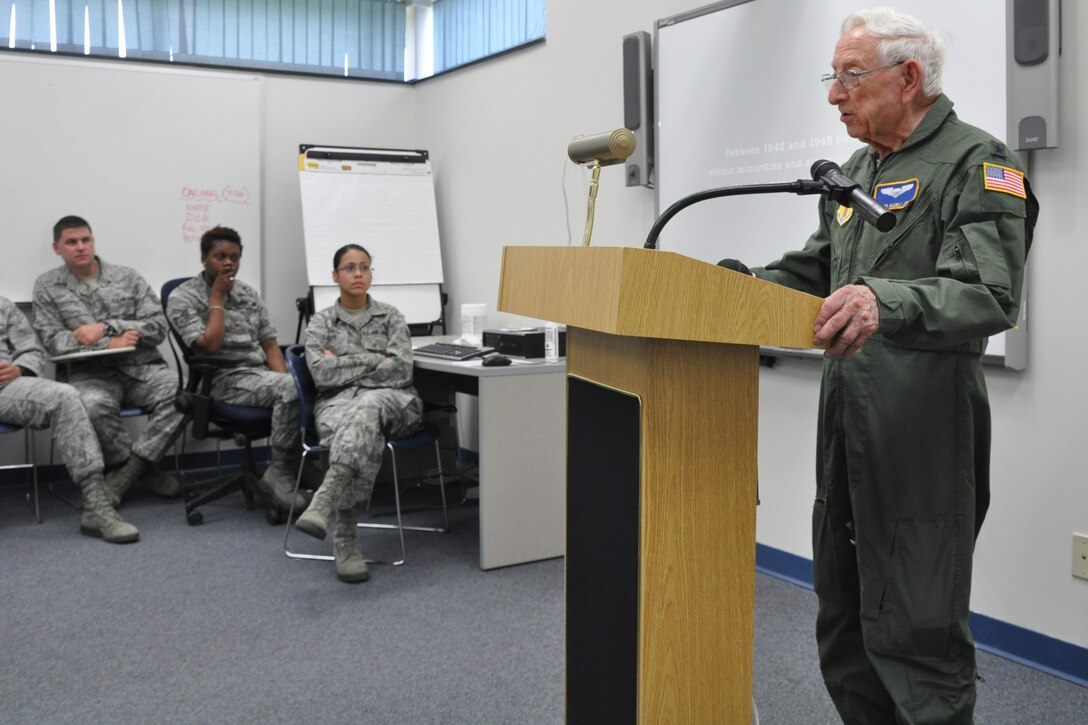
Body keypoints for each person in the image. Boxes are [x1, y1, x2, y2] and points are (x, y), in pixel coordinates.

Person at [748, 9, 1038, 723]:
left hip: (923, 437)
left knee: (917, 634)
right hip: (847, 434)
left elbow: (988, 293)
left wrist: (886, 300)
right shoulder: (856, 172)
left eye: (850, 76)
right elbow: (816, 270)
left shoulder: (980, 162)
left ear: (908, 79)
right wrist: (731, 288)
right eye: (833, 76)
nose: (833, 94)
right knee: (845, 625)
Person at [33, 216, 186, 507]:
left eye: (85, 240)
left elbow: (157, 327)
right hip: (90, 374)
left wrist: (106, 326)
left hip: (141, 368)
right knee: (89, 406)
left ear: (92, 240)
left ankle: (127, 473)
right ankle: (144, 471)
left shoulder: (127, 278)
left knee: (183, 395)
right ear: (57, 248)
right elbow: (53, 341)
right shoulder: (47, 286)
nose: (80, 247)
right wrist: (110, 342)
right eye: (71, 242)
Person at [294, 244, 423, 584]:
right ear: (335, 275)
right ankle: (346, 539)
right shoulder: (321, 322)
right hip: (336, 404)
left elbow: (401, 372)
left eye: (365, 267)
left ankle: (327, 503)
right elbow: (321, 375)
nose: (358, 274)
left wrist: (343, 360)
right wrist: (373, 358)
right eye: (349, 268)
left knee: (368, 406)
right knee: (357, 427)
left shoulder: (391, 316)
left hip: (395, 401)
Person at [165, 225, 304, 511]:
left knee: (303, 385)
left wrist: (284, 384)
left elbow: (270, 346)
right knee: (291, 389)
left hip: (259, 376)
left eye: (235, 257)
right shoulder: (182, 298)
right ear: (204, 258)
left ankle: (296, 465)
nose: (228, 263)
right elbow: (210, 347)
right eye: (220, 256)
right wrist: (216, 299)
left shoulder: (248, 293)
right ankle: (280, 474)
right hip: (222, 380)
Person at [0, 295, 138, 542]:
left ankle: (95, 503)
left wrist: (19, 369)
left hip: (6, 389)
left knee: (65, 395)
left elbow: (31, 349)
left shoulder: (2, 305)